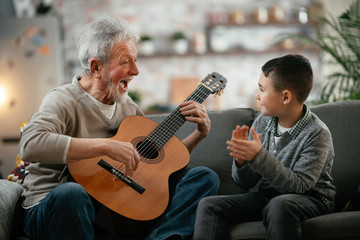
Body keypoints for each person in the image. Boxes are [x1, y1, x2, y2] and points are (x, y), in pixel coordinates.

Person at [19, 17, 220, 240]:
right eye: (126, 62)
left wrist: (199, 134)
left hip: (110, 202)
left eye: (135, 60)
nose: (136, 70)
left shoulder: (129, 108)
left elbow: (159, 164)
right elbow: (30, 144)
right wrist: (107, 146)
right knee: (72, 194)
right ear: (96, 67)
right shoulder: (62, 100)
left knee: (204, 177)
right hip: (51, 205)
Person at [193, 54, 336, 240]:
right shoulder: (262, 123)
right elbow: (245, 183)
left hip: (312, 200)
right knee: (209, 205)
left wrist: (258, 156)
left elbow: (299, 187)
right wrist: (242, 161)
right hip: (269, 197)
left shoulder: (317, 134)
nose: (257, 95)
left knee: (279, 205)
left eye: (262, 89)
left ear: (285, 97)